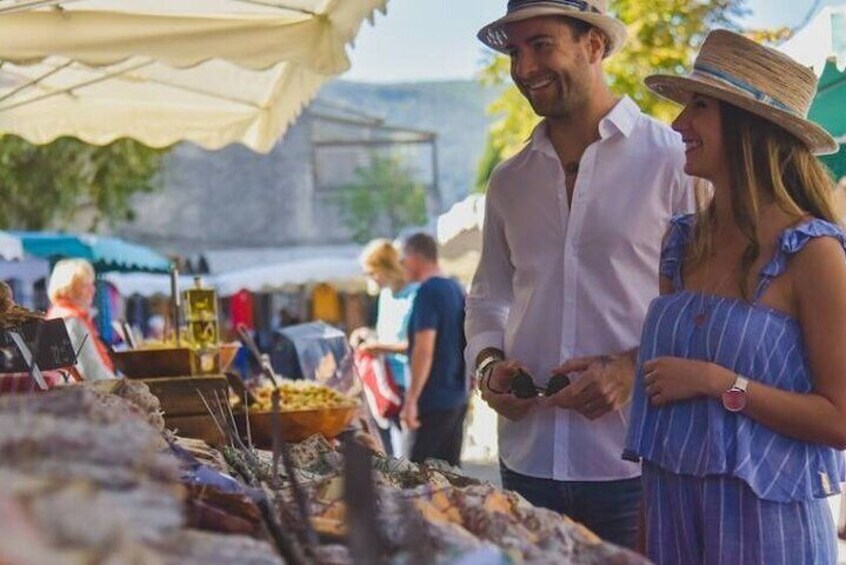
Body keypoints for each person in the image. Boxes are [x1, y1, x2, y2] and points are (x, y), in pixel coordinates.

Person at [467, 0, 693, 548]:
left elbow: (710, 301)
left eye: (541, 45)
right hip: (526, 464)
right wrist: (489, 366)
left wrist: (631, 368)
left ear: (595, 45)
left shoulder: (674, 160)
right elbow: (488, 297)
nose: (523, 69)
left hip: (637, 466)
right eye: (514, 52)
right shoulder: (509, 180)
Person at [623, 29, 846, 564]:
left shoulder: (812, 254)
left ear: (750, 127)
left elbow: (840, 420)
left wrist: (722, 384)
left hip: (770, 537)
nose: (678, 124)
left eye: (699, 106)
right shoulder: (682, 242)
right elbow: (663, 429)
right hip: (671, 527)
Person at [400, 233, 468, 467]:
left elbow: (424, 349)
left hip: (432, 400)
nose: (401, 265)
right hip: (456, 397)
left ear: (415, 257)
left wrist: (411, 400)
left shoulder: (427, 292)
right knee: (449, 478)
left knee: (415, 480)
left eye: (403, 259)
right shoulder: (455, 288)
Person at [356, 238, 419, 457]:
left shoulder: (415, 294)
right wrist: (368, 336)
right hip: (384, 383)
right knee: (389, 451)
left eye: (372, 272)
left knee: (406, 455)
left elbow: (417, 345)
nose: (370, 278)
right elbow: (387, 335)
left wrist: (379, 347)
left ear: (385, 267)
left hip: (407, 383)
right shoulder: (385, 296)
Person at [46, 259, 116, 381]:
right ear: (68, 288)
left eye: (92, 284)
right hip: (82, 395)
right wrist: (120, 385)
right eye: (85, 285)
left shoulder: (56, 315)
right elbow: (93, 372)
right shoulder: (72, 320)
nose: (93, 290)